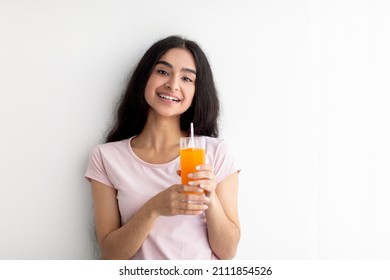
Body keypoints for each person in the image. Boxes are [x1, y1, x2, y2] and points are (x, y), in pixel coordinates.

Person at [85, 35, 240, 260]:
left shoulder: (216, 153)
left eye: (187, 78)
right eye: (163, 72)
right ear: (145, 77)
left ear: (197, 92)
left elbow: (228, 252)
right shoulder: (105, 157)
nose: (173, 84)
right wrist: (154, 208)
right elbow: (111, 255)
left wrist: (211, 197)